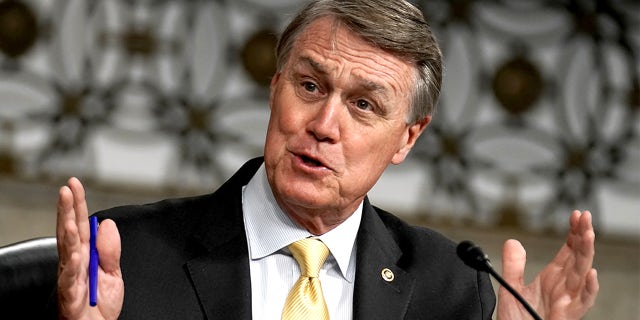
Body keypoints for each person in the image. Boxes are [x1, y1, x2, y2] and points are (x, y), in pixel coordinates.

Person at [55, 0, 599, 319]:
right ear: (275, 89)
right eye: (310, 85)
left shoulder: (455, 291)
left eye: (364, 104)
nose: (324, 124)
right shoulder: (127, 255)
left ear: (408, 138)